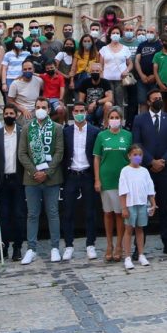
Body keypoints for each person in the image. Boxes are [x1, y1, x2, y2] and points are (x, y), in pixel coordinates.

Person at [131, 91, 167, 257]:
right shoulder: (140, 119)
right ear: (148, 101)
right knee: (143, 207)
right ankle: (139, 246)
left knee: (165, 207)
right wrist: (151, 161)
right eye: (155, 99)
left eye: (160, 99)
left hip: (165, 170)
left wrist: (163, 161)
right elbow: (137, 143)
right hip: (146, 170)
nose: (158, 101)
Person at [18, 99, 64, 264]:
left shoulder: (57, 128)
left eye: (43, 107)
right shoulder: (26, 129)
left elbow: (59, 152)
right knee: (32, 214)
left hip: (52, 178)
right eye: (37, 107)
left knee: (52, 213)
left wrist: (47, 172)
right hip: (31, 179)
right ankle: (31, 249)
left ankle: (54, 248)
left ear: (49, 109)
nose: (40, 110)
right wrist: (35, 171)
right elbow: (22, 153)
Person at [60, 102, 100, 261]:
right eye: (76, 111)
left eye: (81, 111)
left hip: (88, 174)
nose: (79, 113)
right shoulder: (66, 131)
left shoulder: (95, 131)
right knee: (68, 212)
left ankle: (91, 244)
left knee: (90, 212)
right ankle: (69, 245)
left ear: (86, 112)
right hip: (71, 175)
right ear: (72, 113)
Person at [93, 107, 132, 262]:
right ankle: (109, 245)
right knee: (108, 213)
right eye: (112, 117)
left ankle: (119, 246)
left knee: (120, 214)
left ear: (121, 119)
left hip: (122, 182)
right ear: (107, 119)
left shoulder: (128, 135)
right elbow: (96, 158)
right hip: (106, 180)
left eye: (117, 117)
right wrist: (97, 179)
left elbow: (132, 158)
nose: (114, 119)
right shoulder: (101, 135)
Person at [0, 103, 26, 262]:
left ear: (17, 115)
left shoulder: (23, 133)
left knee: (18, 215)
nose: (9, 115)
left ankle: (17, 247)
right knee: (3, 216)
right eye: (6, 113)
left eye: (12, 113)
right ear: (3, 115)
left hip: (18, 180)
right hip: (2, 181)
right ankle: (3, 247)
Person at [118, 142, 156, 270]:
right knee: (129, 229)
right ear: (129, 156)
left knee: (140, 229)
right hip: (130, 204)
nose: (137, 157)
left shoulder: (144, 171)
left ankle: (141, 254)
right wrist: (124, 207)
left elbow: (150, 189)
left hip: (142, 204)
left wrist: (153, 202)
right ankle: (127, 257)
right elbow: (122, 191)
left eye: (140, 155)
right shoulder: (125, 171)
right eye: (135, 155)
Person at [98, 28, 131, 107]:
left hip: (120, 80)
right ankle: (109, 118)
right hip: (107, 80)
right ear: (110, 35)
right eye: (113, 33)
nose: (115, 34)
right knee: (109, 102)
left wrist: (126, 71)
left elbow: (130, 64)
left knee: (119, 102)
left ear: (120, 35)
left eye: (117, 33)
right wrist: (101, 77)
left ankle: (119, 118)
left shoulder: (125, 49)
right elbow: (100, 65)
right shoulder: (104, 49)